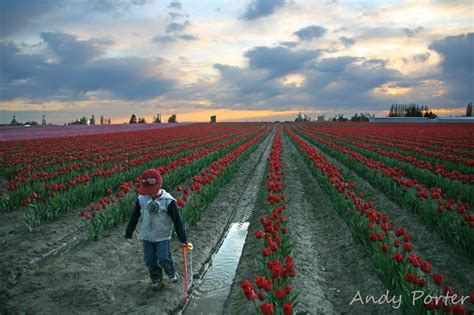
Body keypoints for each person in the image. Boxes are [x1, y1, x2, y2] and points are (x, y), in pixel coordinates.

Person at [125, 168, 190, 291]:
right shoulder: (142, 199)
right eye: (147, 191)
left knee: (163, 258)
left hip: (162, 236)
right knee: (149, 260)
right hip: (147, 236)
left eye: (152, 191)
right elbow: (134, 216)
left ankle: (171, 273)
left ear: (160, 185)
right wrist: (129, 231)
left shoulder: (168, 201)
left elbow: (177, 221)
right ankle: (156, 278)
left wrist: (183, 239)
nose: (150, 194)